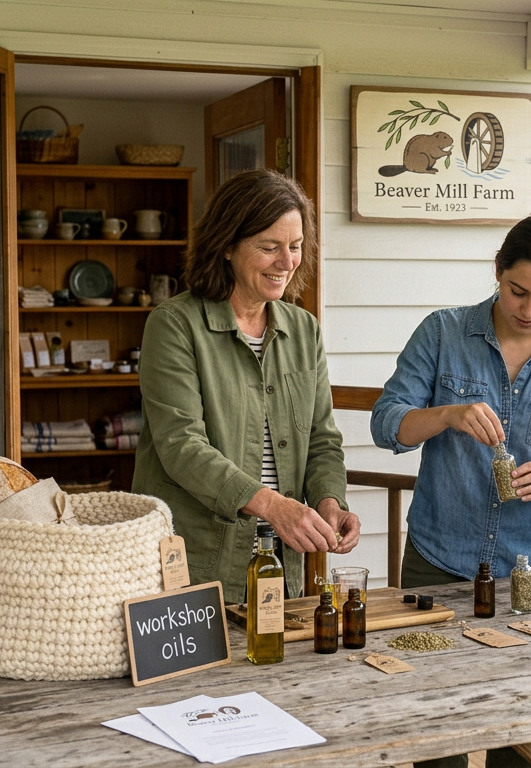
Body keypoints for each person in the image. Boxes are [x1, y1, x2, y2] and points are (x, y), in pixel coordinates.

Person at [370, 215, 531, 768]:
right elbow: (388, 424)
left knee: (522, 736)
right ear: (497, 271)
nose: (529, 310)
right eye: (518, 291)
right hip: (439, 559)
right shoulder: (443, 332)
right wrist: (448, 414)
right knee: (437, 732)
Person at [132, 169, 360, 602]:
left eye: (295, 247)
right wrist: (273, 506)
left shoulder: (304, 330)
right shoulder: (175, 325)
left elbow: (322, 439)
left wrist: (331, 501)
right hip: (196, 560)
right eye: (269, 247)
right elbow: (181, 445)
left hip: (283, 560)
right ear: (226, 246)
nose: (287, 262)